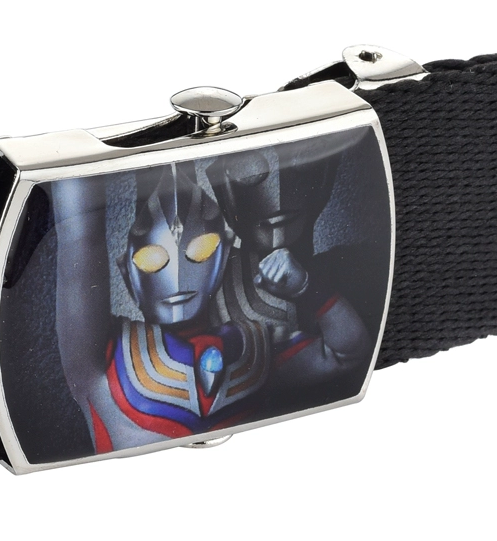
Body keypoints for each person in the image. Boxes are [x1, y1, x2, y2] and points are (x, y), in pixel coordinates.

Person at [53, 164, 270, 453]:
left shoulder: (254, 344)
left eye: (200, 250)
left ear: (224, 253)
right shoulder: (102, 362)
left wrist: (303, 288)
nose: (177, 275)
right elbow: (79, 237)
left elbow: (334, 356)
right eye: (153, 258)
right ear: (127, 271)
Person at [205, 135, 372, 406]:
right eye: (248, 170)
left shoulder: (352, 266)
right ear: (223, 192)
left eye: (300, 161)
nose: (279, 190)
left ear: (325, 174)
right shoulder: (212, 283)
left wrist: (308, 289)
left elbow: (351, 354)